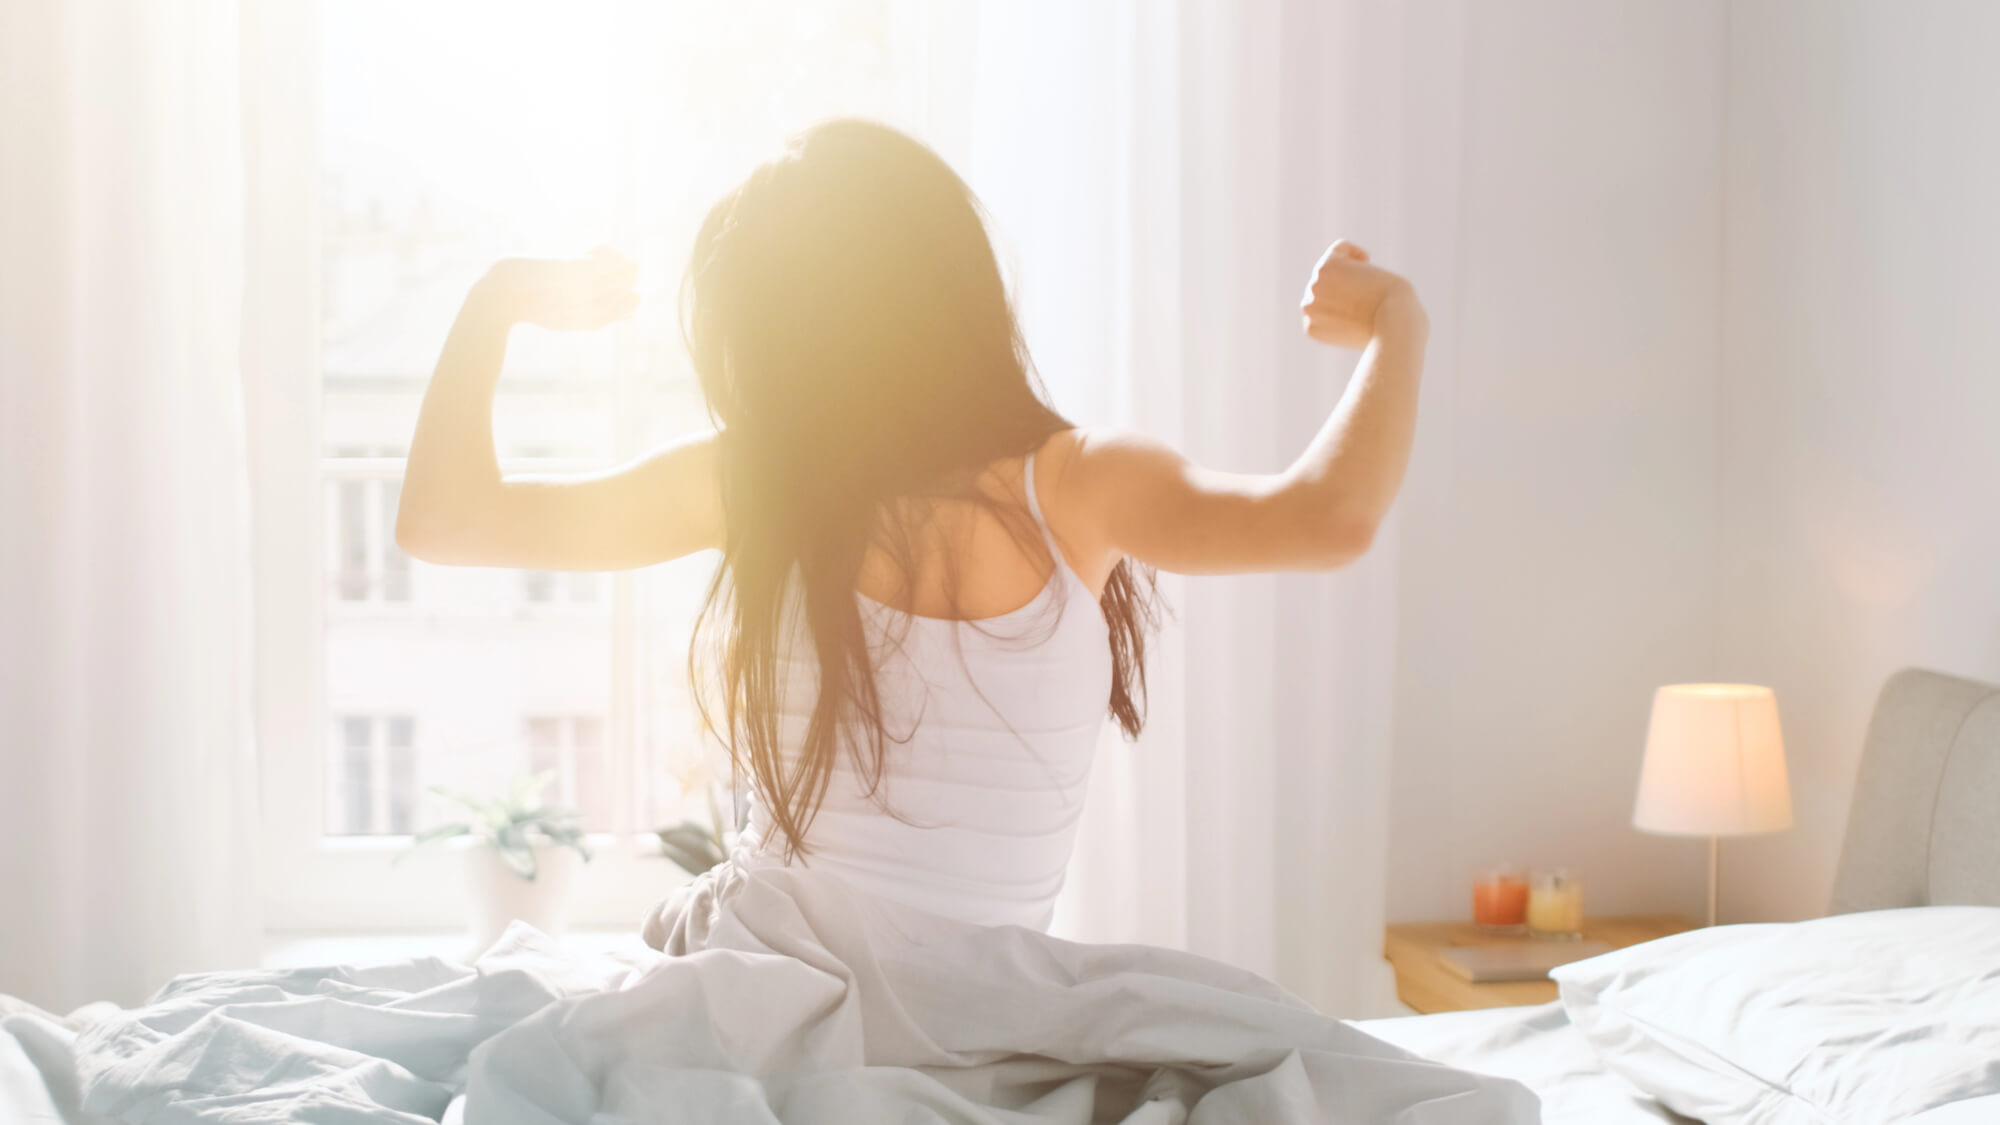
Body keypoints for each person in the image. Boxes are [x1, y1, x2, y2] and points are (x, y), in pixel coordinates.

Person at [397, 120, 1426, 936]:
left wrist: (494, 308)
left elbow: (446, 521)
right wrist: (1397, 324)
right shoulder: (1078, 480)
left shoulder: (752, 481)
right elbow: (1328, 520)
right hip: (944, 1016)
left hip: (765, 997)